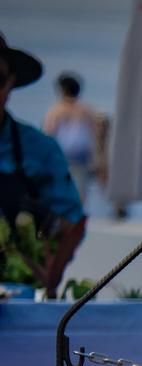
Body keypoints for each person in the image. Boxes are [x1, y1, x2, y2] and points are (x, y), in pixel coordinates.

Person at [0, 34, 85, 297]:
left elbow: (73, 221)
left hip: (17, 297)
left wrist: (50, 277)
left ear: (11, 82)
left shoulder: (41, 149)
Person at [42, 73, 106, 207]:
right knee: (80, 189)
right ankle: (78, 215)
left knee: (60, 188)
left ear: (62, 90)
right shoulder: (86, 109)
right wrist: (100, 158)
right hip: (82, 155)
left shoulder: (56, 110)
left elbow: (48, 133)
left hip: (62, 154)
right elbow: (98, 133)